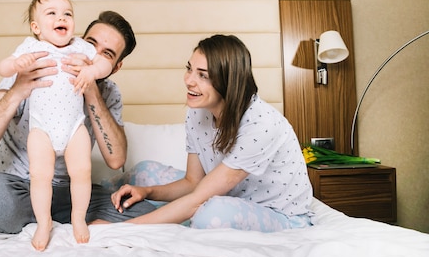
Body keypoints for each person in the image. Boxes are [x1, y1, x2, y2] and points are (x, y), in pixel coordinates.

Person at [0, 0, 156, 250]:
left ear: (115, 66)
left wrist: (91, 89)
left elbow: (116, 160)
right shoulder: (33, 67)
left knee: (142, 211)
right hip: (20, 186)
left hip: (72, 190)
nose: (94, 55)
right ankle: (46, 219)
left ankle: (69, 217)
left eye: (107, 54)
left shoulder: (109, 91)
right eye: (92, 44)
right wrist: (17, 90)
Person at [110, 34, 314, 232]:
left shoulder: (261, 124)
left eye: (203, 75)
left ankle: (161, 218)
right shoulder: (197, 113)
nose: (189, 81)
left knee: (210, 214)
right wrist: (147, 192)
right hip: (227, 195)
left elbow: (196, 200)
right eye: (189, 69)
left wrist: (121, 229)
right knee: (143, 173)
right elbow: (193, 182)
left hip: (280, 215)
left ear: (228, 82)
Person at [0, 0, 113, 250]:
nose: (62, 18)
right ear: (36, 28)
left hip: (74, 128)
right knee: (40, 176)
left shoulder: (81, 46)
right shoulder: (31, 47)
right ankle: (44, 222)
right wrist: (17, 63)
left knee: (82, 173)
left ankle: (78, 218)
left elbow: (104, 64)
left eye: (67, 13)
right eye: (52, 13)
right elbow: (2, 68)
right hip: (41, 129)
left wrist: (92, 70)